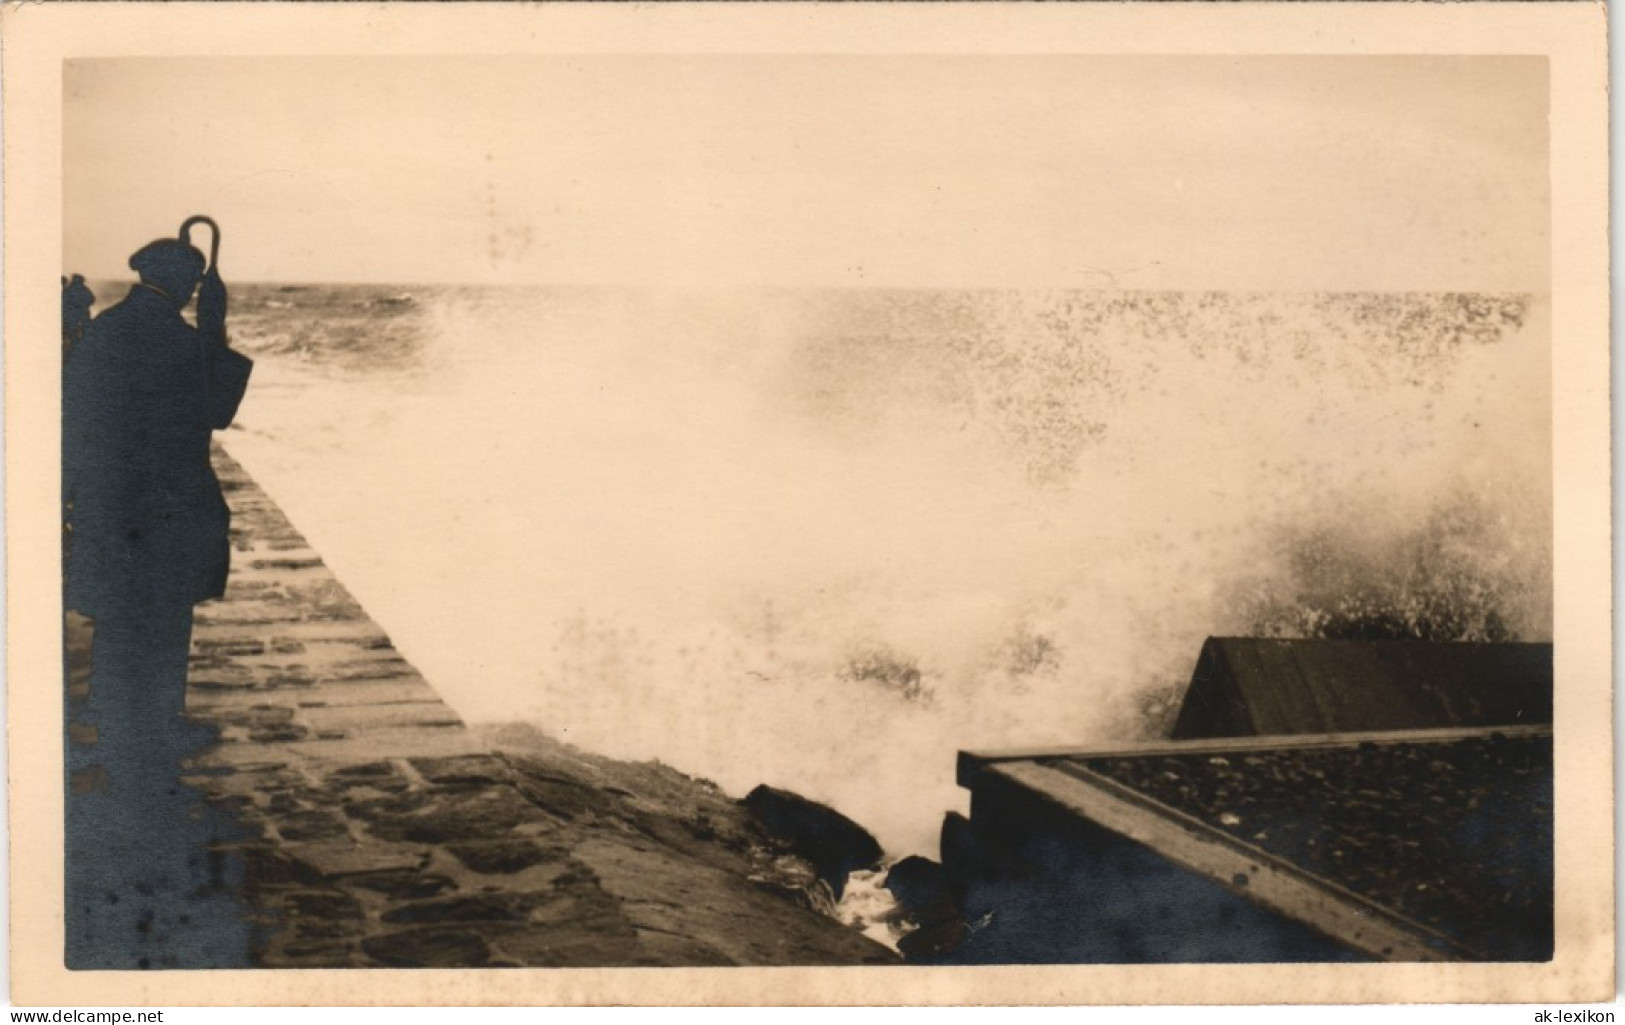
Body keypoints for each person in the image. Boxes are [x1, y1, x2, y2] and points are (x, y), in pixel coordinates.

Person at [61, 231, 254, 968]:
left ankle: (114, 725)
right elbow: (217, 410)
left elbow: (75, 422)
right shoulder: (181, 343)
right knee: (166, 621)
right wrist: (217, 329)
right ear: (187, 285)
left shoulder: (106, 333)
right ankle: (155, 725)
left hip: (115, 504)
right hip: (170, 505)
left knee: (117, 619)